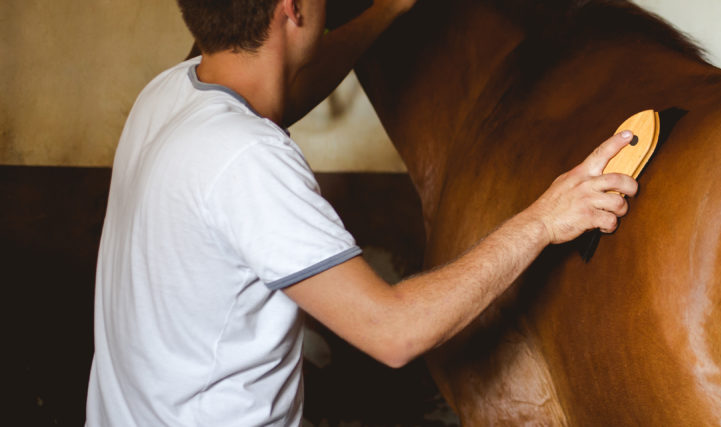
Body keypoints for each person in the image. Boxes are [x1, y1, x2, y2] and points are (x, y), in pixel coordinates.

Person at [85, 0, 638, 424]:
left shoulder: (168, 95)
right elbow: (393, 331)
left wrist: (389, 8)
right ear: (293, 8)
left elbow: (281, 86)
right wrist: (545, 217)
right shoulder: (248, 159)